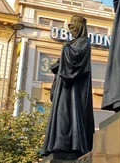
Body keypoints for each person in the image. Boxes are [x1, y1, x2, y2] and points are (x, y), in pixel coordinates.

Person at [41, 15, 94, 157]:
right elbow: (67, 61)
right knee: (61, 113)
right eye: (70, 28)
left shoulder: (84, 42)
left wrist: (65, 50)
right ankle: (58, 142)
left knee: (68, 113)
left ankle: (68, 144)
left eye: (73, 27)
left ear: (81, 27)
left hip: (74, 89)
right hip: (64, 87)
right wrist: (58, 65)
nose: (72, 31)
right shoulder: (74, 43)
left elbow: (75, 60)